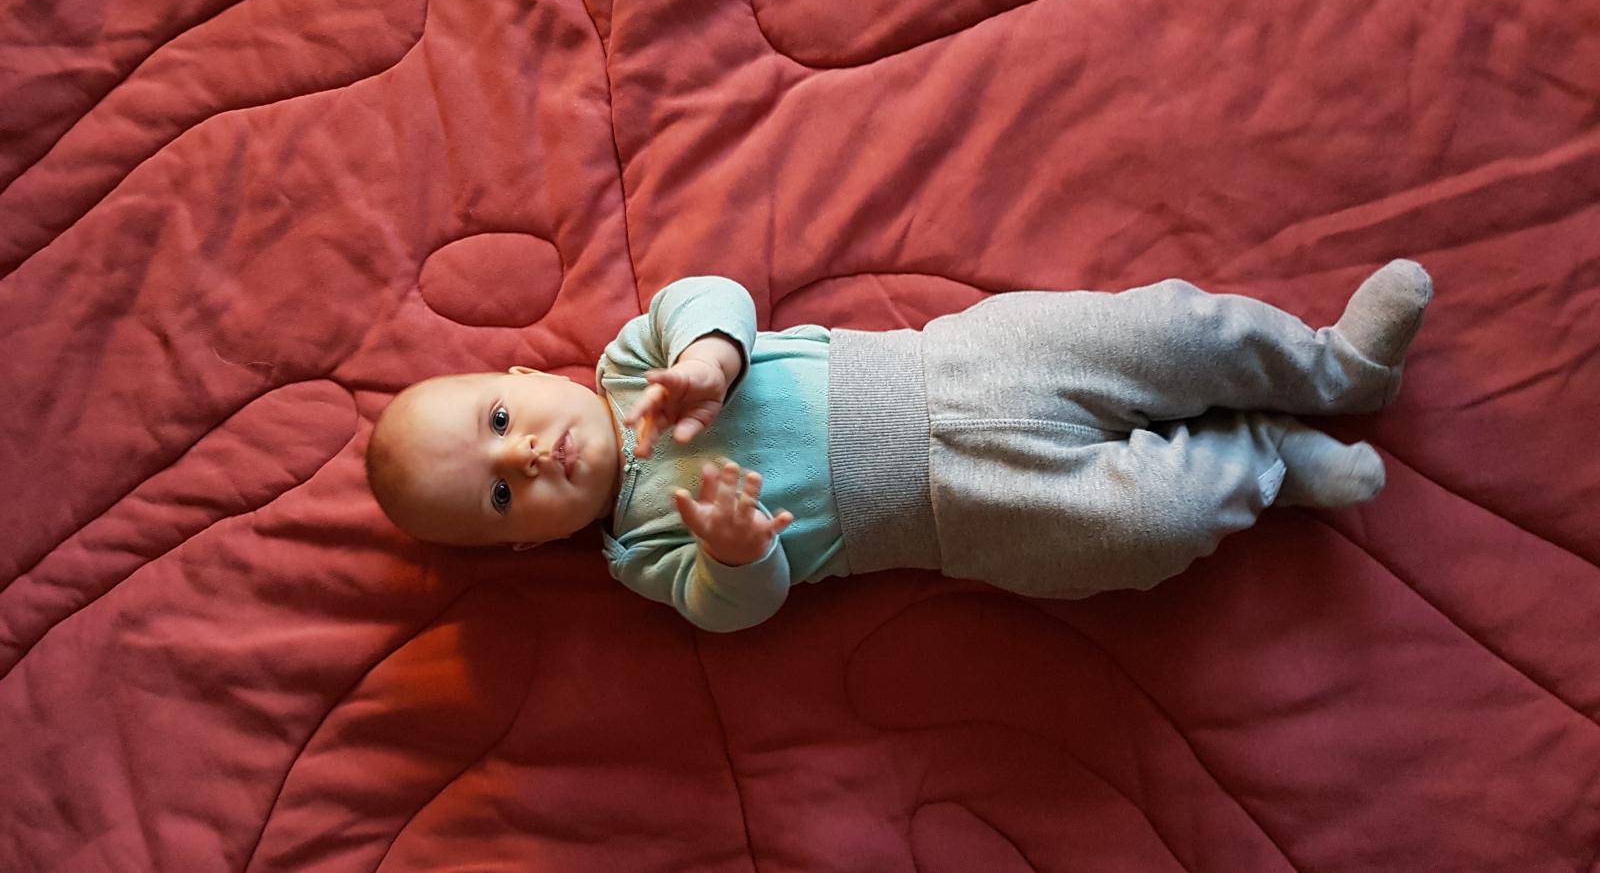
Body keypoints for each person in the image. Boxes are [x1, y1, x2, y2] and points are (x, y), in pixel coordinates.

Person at [365, 261, 1432, 632]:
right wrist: (737, 553)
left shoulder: (636, 363)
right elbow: (735, 612)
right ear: (523, 545)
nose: (523, 458)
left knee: (1163, 331)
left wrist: (710, 359)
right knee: (1143, 527)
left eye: (497, 424)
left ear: (520, 378)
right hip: (966, 515)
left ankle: (1335, 368)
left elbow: (713, 294)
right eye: (499, 498)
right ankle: (1265, 463)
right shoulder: (641, 550)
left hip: (968, 363)